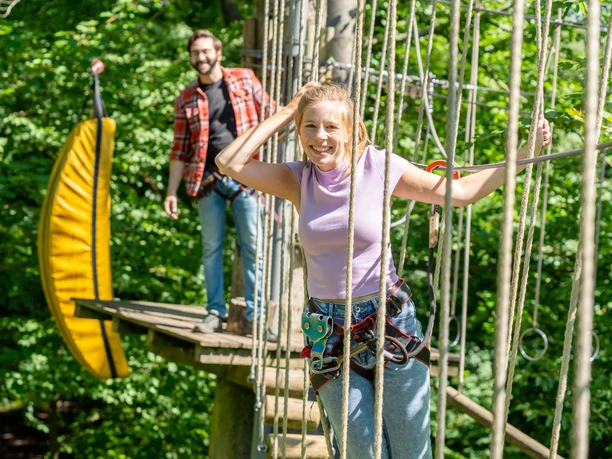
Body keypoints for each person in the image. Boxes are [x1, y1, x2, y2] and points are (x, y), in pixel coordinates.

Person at [214, 82, 552, 458]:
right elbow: (229, 162)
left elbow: (462, 192)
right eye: (309, 126)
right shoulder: (297, 179)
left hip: (389, 323)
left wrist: (525, 154)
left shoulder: (379, 166)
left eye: (331, 127)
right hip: (329, 333)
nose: (320, 137)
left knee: (409, 452)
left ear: (351, 129)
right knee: (361, 452)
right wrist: (286, 110)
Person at [164, 30, 274, 335]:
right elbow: (179, 149)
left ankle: (257, 317)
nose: (201, 57)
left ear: (218, 52)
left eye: (205, 51)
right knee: (211, 248)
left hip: (246, 177)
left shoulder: (243, 80)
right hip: (207, 181)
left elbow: (271, 116)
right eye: (195, 53)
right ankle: (215, 312)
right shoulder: (186, 99)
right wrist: (171, 192)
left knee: (253, 248)